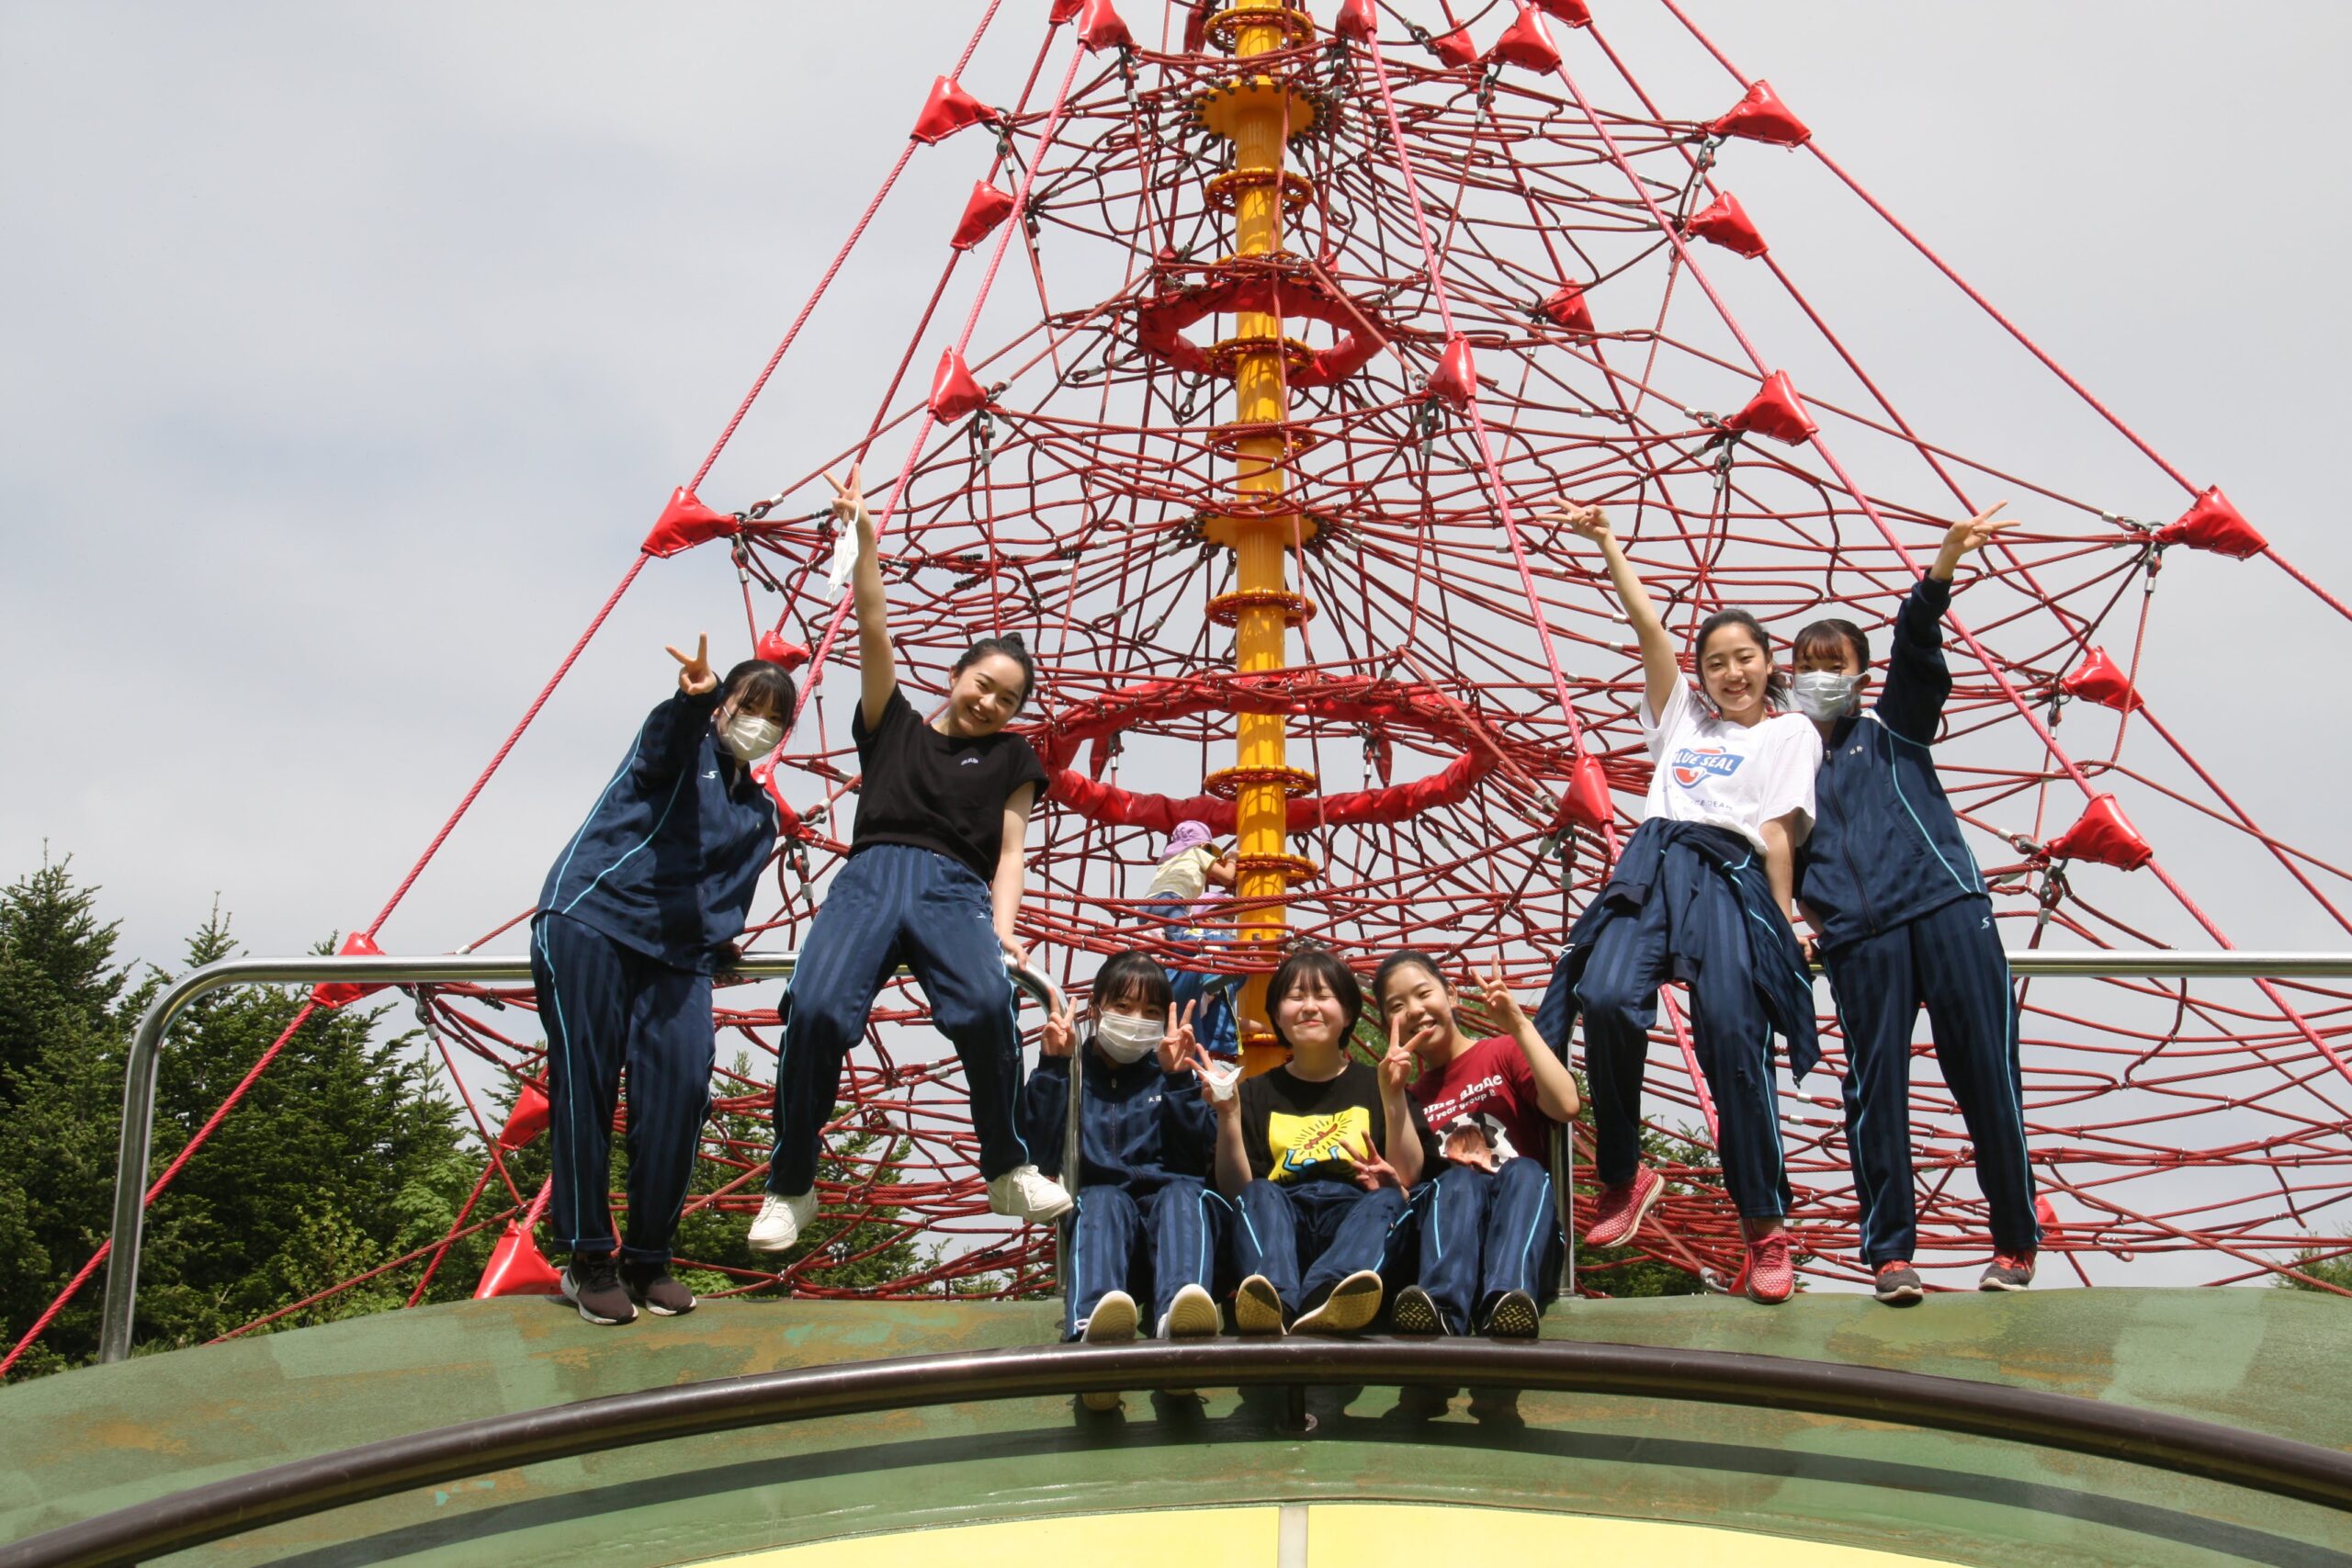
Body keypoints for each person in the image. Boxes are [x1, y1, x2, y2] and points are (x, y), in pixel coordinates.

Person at [751, 466, 1071, 1253]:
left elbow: (1009, 850)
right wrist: (865, 540)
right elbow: (871, 623)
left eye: (1007, 698)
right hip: (871, 874)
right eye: (983, 685)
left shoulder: (1012, 759)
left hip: (955, 890)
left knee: (986, 1007)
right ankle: (791, 1183)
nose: (990, 703)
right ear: (957, 675)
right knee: (817, 1009)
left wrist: (1004, 931)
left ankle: (1006, 1164)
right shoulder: (892, 724)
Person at [1534, 502, 1821, 1304]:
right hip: (1653, 862)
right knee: (1604, 994)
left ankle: (1765, 1227)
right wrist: (1609, 546)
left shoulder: (1790, 735)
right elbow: (1650, 630)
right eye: (1718, 661)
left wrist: (1785, 917)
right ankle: (1626, 1176)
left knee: (1733, 1035)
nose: (1732, 672)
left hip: (1729, 877)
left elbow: (1774, 828)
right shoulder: (1682, 722)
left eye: (1746, 658)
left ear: (1771, 664)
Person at [1792, 503, 2040, 1302]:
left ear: (1862, 676)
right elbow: (1767, 853)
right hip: (1860, 940)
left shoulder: (1895, 728)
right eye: (1808, 663)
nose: (1821, 675)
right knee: (1875, 1091)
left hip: (1945, 909)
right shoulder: (1782, 762)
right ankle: (1891, 1255)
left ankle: (2014, 1242)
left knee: (1987, 1074)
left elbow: (1919, 652)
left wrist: (1938, 572)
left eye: (1836, 663)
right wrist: (1801, 922)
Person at [533, 636, 797, 1325]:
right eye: (748, 706)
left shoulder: (758, 812)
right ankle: (587, 1256)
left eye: (774, 717)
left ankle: (648, 1255)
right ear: (725, 706)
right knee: (586, 1083)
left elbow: (727, 895)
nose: (757, 724)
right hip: (595, 918)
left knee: (680, 1092)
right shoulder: (688, 748)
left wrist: (718, 940)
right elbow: (662, 743)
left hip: (678, 956)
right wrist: (697, 696)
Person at [1021, 951, 1225, 1407]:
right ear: (1095, 1009)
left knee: (1183, 1194)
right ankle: (1093, 1343)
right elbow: (1038, 1154)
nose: (1137, 1021)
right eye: (1124, 1007)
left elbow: (1198, 1158)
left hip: (1170, 1235)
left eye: (1152, 1012)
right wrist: (1053, 1066)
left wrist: (1177, 1082)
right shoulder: (1073, 1071)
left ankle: (1181, 1327)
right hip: (1104, 1234)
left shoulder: (1167, 1073)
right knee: (1100, 1198)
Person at [1201, 947, 1440, 1335]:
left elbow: (1408, 1176)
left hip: (1355, 1224)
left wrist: (1393, 1096)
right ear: (1277, 1015)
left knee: (1388, 1198)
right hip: (1281, 1225)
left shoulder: (1377, 1083)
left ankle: (1329, 1294)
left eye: (1323, 996)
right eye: (1296, 997)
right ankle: (1272, 1297)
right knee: (1261, 1192)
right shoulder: (1254, 1093)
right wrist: (1228, 1114)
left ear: (1347, 1013)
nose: (1309, 1007)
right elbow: (1238, 1193)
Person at [1374, 952, 1580, 1338]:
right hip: (1453, 1240)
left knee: (1523, 1170)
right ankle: (1442, 1310)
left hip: (1525, 1233)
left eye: (1423, 994)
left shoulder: (1501, 1052)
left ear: (1451, 994)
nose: (1415, 1011)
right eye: (1398, 1007)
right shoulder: (1412, 1096)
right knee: (1457, 1182)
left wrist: (1518, 1024)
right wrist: (1393, 1095)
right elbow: (1406, 1178)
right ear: (1388, 1025)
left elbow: (1567, 1105)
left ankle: (1508, 1298)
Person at [1143, 819, 1243, 1061]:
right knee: (1189, 942)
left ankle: (1156, 963)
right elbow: (1228, 876)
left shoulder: (1169, 861)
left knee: (1164, 944)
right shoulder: (1198, 853)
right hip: (1173, 901)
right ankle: (1208, 973)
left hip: (1149, 905)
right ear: (1202, 844)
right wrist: (1232, 859)